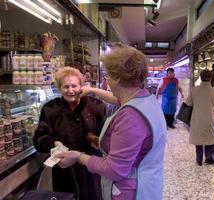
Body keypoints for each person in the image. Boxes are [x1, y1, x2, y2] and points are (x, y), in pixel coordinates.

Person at [55, 44, 167, 200]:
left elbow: (114, 170)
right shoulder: (145, 99)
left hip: (131, 192)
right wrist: (93, 90)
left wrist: (79, 156)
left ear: (118, 79)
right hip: (149, 182)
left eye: (107, 75)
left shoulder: (131, 116)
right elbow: (118, 99)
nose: (106, 79)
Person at [33, 67, 106, 200]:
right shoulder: (50, 109)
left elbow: (106, 136)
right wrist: (53, 143)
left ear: (81, 87)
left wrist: (96, 140)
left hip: (91, 166)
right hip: (64, 170)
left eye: (74, 86)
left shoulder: (96, 106)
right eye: (66, 86)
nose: (71, 90)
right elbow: (39, 138)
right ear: (59, 88)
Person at [186, 69, 214, 166]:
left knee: (198, 138)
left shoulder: (194, 90)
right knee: (208, 137)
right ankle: (208, 157)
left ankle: (199, 159)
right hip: (209, 117)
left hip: (196, 117)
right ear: (210, 78)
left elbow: (188, 102)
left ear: (200, 77)